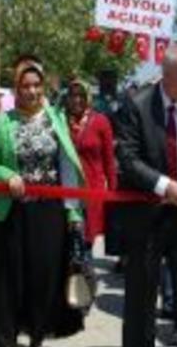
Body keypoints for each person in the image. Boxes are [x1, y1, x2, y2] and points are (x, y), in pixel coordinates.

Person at [113, 45, 177, 347]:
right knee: (142, 297)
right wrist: (164, 185)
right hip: (147, 216)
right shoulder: (136, 106)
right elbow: (128, 160)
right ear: (167, 76)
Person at [0, 56, 84, 347]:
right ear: (16, 89)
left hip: (49, 214)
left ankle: (37, 337)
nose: (32, 91)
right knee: (13, 279)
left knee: (44, 279)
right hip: (14, 211)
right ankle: (9, 337)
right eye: (26, 86)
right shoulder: (4, 121)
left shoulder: (56, 119)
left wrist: (74, 214)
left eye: (37, 85)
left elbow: (67, 168)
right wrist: (8, 175)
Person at [65, 77, 117, 246]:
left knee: (87, 238)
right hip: (67, 188)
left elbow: (109, 161)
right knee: (68, 235)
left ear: (88, 97)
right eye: (72, 95)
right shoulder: (60, 121)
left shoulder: (101, 122)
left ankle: (85, 268)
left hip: (92, 189)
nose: (77, 100)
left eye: (81, 95)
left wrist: (113, 193)